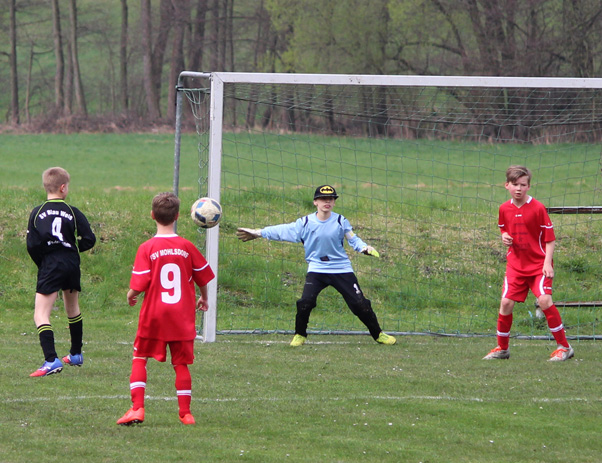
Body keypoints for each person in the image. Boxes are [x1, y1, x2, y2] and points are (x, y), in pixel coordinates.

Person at [236, 184, 396, 347]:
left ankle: (378, 335)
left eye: (330, 199)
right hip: (317, 269)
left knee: (360, 304)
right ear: (315, 202)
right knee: (305, 302)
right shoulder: (305, 222)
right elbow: (283, 230)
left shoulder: (341, 221)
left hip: (341, 269)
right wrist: (258, 232)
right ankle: (300, 335)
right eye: (323, 199)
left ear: (334, 202)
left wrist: (364, 248)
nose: (327, 202)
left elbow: (353, 239)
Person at [117, 192, 216, 426]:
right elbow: (202, 277)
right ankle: (186, 414)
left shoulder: (147, 247)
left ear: (152, 215)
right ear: (178, 216)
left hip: (154, 315)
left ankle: (137, 409)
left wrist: (130, 295)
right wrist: (204, 298)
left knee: (139, 357)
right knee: (181, 363)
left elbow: (139, 284)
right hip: (181, 316)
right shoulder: (187, 246)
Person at [484, 165, 573, 362]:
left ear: (528, 187)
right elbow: (503, 228)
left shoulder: (538, 208)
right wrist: (504, 236)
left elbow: (550, 239)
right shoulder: (504, 209)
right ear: (507, 185)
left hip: (538, 265)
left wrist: (547, 264)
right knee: (506, 303)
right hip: (515, 265)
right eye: (515, 184)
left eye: (523, 185)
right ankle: (502, 348)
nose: (519, 188)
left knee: (544, 301)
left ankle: (564, 347)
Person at [27, 167, 96, 377]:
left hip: (51, 263)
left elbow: (32, 245)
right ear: (63, 188)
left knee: (40, 314)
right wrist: (72, 249)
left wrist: (43, 262)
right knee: (72, 308)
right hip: (71, 263)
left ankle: (51, 360)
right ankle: (75, 353)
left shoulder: (37, 212)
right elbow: (89, 239)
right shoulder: (73, 212)